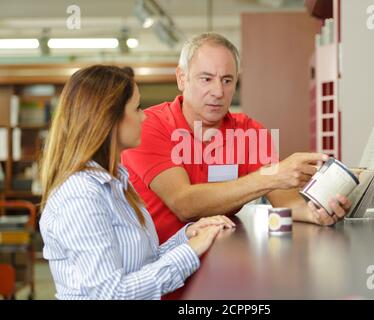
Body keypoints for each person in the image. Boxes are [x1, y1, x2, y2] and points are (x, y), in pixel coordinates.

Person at [122, 32, 352, 245]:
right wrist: (270, 177)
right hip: (163, 273)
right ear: (182, 78)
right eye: (206, 79)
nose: (218, 92)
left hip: (219, 262)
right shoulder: (148, 126)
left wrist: (316, 212)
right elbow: (184, 204)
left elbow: (285, 200)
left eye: (227, 80)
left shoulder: (248, 131)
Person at [39, 65, 235, 300]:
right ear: (109, 118)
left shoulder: (116, 182)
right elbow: (110, 294)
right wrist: (191, 251)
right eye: (137, 108)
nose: (145, 116)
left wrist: (188, 235)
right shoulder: (80, 194)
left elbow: (144, 263)